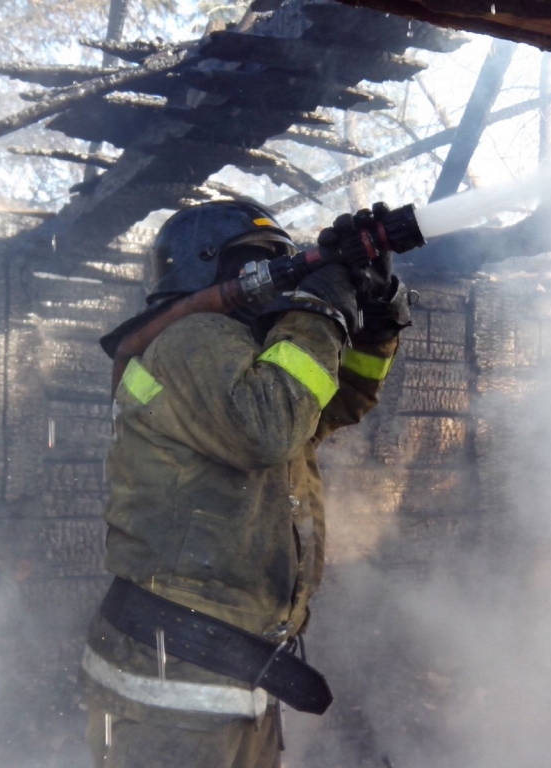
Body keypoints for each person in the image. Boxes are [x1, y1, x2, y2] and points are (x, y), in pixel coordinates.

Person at [84, 199, 411, 768]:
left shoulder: (250, 361)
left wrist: (377, 317)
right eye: (256, 264)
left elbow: (334, 402)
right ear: (202, 269)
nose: (276, 280)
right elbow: (271, 427)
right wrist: (318, 306)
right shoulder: (191, 341)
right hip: (176, 688)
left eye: (282, 263)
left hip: (227, 669)